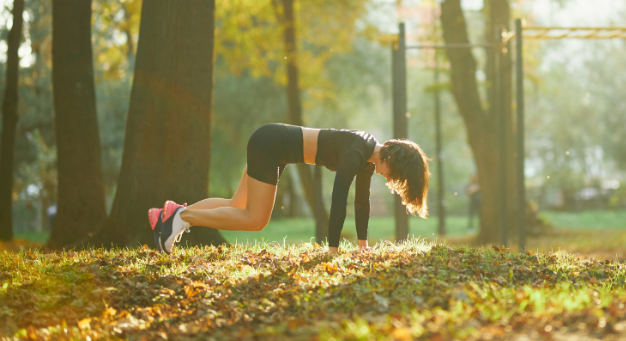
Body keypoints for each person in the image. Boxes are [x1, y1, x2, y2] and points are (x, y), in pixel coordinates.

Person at [148, 124, 430, 254]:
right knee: (255, 219)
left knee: (236, 203)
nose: (391, 180)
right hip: (269, 145)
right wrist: (333, 250)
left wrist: (362, 246)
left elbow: (361, 204)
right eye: (397, 175)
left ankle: (173, 213)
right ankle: (183, 219)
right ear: (392, 159)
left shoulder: (368, 156)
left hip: (273, 145)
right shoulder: (357, 153)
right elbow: (339, 199)